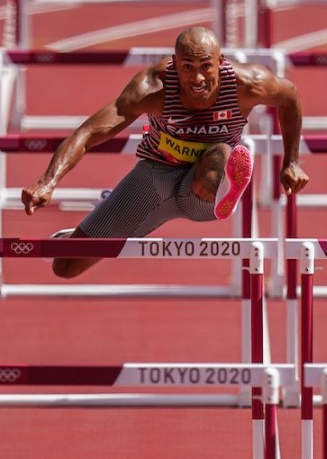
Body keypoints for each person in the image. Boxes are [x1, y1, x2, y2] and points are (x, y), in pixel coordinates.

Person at [21, 26, 308, 277]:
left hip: (204, 190)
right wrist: (48, 181)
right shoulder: (153, 88)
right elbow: (89, 133)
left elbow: (290, 97)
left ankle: (227, 184)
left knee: (219, 153)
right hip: (155, 177)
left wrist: (291, 161)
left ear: (221, 63)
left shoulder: (248, 84)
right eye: (187, 67)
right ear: (174, 64)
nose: (197, 78)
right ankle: (104, 216)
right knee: (65, 266)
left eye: (205, 66)